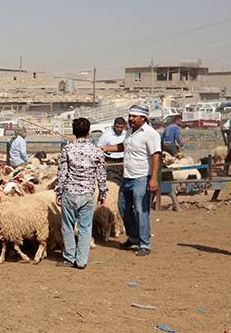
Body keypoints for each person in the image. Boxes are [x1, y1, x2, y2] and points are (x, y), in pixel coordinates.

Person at [98, 104, 161, 257]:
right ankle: (133, 237)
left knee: (141, 210)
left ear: (143, 118)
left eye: (134, 116)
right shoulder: (129, 132)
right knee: (123, 207)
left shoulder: (151, 134)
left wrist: (153, 179)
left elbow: (156, 155)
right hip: (127, 176)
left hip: (142, 177)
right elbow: (123, 146)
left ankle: (144, 243)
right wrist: (105, 148)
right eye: (130, 116)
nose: (131, 119)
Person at [55, 118, 107, 270]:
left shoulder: (67, 149)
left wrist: (59, 192)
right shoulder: (96, 151)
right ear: (88, 132)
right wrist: (102, 193)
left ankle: (69, 257)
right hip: (87, 193)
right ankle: (82, 260)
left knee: (68, 226)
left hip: (70, 192)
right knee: (85, 227)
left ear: (73, 132)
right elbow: (101, 174)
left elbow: (62, 173)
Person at [97, 117, 128, 183]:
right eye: (117, 127)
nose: (119, 129)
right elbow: (99, 149)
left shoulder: (126, 134)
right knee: (113, 182)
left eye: (121, 127)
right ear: (114, 125)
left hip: (123, 161)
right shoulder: (106, 135)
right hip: (111, 162)